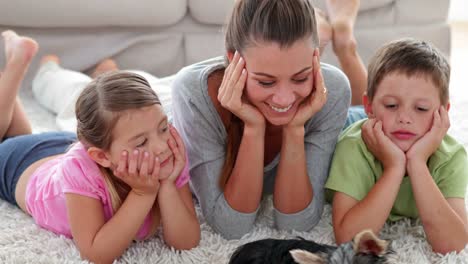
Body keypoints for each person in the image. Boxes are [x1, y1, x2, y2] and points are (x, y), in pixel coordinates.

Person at [0, 32, 200, 263]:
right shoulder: (80, 169)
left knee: (18, 135)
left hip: (57, 146)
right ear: (101, 156)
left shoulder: (167, 154)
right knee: (9, 141)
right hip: (18, 165)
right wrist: (142, 193)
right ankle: (15, 66)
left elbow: (186, 242)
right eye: (142, 142)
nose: (161, 146)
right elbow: (97, 253)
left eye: (163, 127)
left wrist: (166, 184)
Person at [170, 0, 353, 239]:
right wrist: (253, 128)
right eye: (266, 82)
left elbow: (296, 224)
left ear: (316, 57)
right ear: (233, 59)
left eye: (300, 78)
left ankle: (345, 42)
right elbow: (230, 226)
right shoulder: (193, 94)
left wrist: (295, 128)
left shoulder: (333, 90)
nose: (284, 97)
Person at [325, 38, 468, 254]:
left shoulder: (451, 156)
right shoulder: (353, 146)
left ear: (443, 112)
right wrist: (394, 167)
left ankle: (346, 46)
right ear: (370, 107)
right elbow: (347, 239)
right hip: (355, 122)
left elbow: (455, 244)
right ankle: (344, 45)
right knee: (334, 106)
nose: (404, 118)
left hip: (381, 122)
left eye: (420, 108)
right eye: (392, 105)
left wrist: (417, 162)